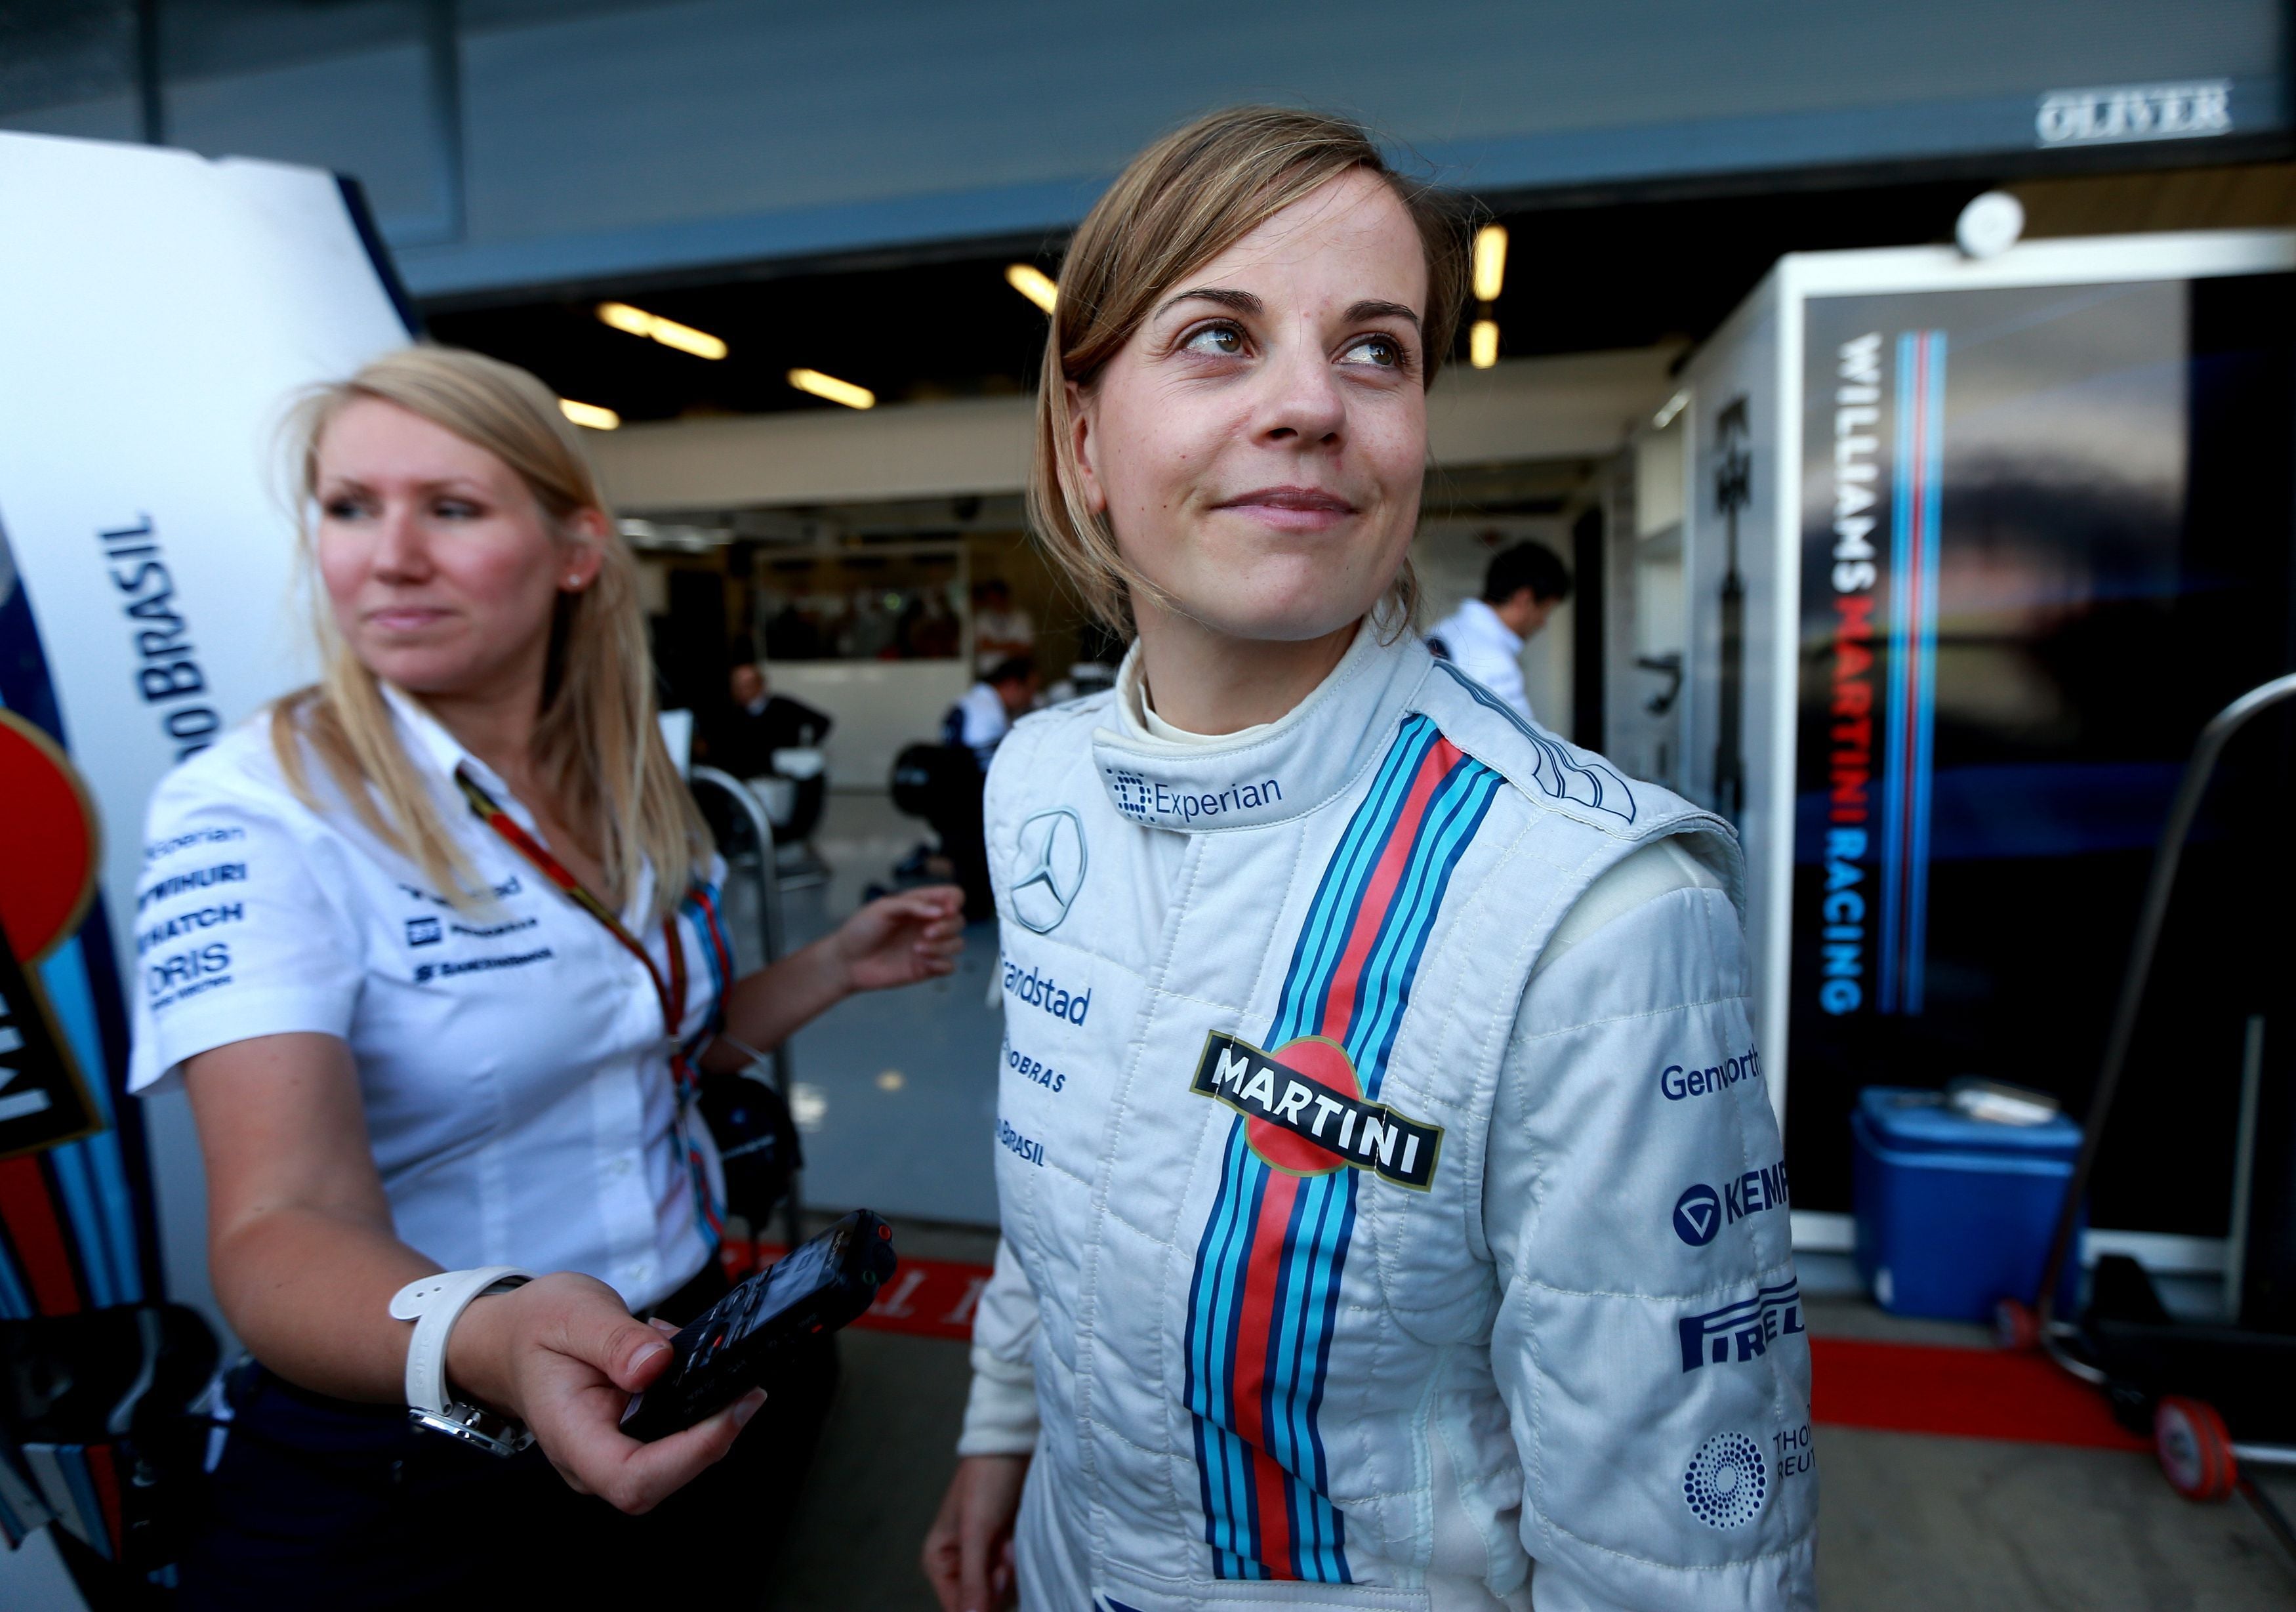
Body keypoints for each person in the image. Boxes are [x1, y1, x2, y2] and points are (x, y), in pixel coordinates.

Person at [922, 107, 1814, 1612]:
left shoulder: (1597, 913)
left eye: (1374, 349)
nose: (1311, 406)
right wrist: (1000, 1431)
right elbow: (1056, 1185)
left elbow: (1679, 1556)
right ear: (1083, 439)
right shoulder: (1039, 781)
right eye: (1218, 336)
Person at [127, 346, 964, 1606]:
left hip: (675, 1355)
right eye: (350, 508)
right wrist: (492, 1333)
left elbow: (645, 1054)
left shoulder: (623, 786)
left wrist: (834, 967)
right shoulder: (254, 812)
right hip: (423, 1445)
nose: (388, 554)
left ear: (576, 548)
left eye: (450, 508)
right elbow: (275, 1224)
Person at [1425, 539, 1572, 724]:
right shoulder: (1495, 661)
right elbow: (1521, 746)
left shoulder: (1440, 630)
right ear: (1524, 600)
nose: (1543, 623)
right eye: (1545, 611)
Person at [943, 654, 1038, 769]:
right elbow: (992, 769)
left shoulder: (974, 701)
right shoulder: (988, 712)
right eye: (1031, 690)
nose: (1032, 698)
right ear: (1012, 685)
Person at [971, 578, 1036, 674]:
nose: (994, 603)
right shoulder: (982, 618)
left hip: (1017, 673)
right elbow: (982, 646)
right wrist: (1012, 645)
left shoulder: (1022, 618)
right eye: (990, 600)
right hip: (989, 672)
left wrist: (994, 645)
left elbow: (1026, 649)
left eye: (996, 599)